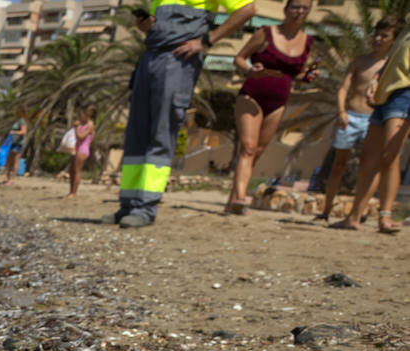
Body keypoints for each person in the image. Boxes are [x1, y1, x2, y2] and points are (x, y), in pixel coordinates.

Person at [111, 0, 256, 227]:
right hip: (150, 56)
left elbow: (248, 9)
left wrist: (207, 40)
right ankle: (128, 205)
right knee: (136, 135)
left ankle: (146, 208)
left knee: (161, 133)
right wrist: (146, 26)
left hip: (179, 61)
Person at [224, 0, 318, 214]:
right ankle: (240, 198)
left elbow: (299, 73)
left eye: (305, 8)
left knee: (257, 152)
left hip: (278, 102)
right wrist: (249, 69)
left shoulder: (308, 41)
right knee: (247, 147)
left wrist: (308, 76)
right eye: (295, 7)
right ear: (286, 9)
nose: (299, 12)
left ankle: (232, 201)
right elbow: (238, 58)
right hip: (252, 95)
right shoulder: (266, 33)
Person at [332, 20, 410, 233]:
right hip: (384, 96)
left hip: (404, 96)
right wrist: (375, 80)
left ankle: (385, 217)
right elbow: (392, 61)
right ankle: (354, 217)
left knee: (389, 157)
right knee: (369, 159)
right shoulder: (406, 32)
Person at [314, 18, 396, 221]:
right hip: (351, 117)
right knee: (338, 165)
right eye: (376, 34)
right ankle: (326, 210)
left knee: (369, 166)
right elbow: (343, 89)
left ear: (393, 39)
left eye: (384, 35)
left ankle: (358, 212)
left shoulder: (392, 66)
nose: (378, 39)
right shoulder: (360, 61)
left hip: (374, 121)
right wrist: (342, 111)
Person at [67, 105, 96, 198]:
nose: (80, 117)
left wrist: (76, 128)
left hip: (82, 150)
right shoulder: (84, 125)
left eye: (81, 115)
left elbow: (81, 137)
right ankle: (71, 191)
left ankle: (74, 192)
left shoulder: (90, 125)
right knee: (72, 170)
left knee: (77, 171)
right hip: (77, 149)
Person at [0, 114, 27, 185]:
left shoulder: (22, 121)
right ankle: (7, 178)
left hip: (18, 144)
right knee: (8, 160)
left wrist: (14, 132)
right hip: (12, 143)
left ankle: (12, 179)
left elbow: (24, 131)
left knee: (15, 161)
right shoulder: (16, 121)